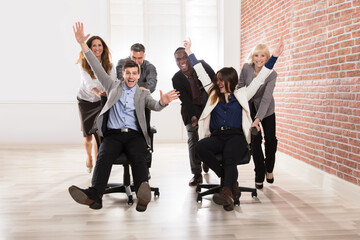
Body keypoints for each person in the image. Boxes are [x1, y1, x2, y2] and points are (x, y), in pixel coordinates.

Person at [69, 22, 179, 212]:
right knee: (103, 157)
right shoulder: (112, 85)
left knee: (138, 157)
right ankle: (95, 196)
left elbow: (154, 106)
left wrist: (164, 101)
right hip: (113, 135)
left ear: (138, 75)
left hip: (134, 135)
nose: (130, 76)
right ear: (122, 74)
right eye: (127, 73)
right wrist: (82, 44)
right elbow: (96, 66)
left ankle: (142, 195)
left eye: (134, 73)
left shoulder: (143, 93)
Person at [184, 37, 283, 211]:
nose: (219, 83)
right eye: (218, 80)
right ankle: (229, 183)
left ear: (231, 81)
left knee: (230, 154)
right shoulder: (213, 92)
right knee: (200, 148)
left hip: (235, 136)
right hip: (217, 136)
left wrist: (274, 56)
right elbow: (200, 72)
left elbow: (260, 79)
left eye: (222, 80)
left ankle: (227, 191)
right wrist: (189, 52)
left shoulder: (243, 94)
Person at [172, 46, 215, 186]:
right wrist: (194, 119)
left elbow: (215, 82)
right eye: (178, 59)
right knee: (193, 138)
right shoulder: (177, 78)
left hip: (208, 106)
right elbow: (186, 101)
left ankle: (208, 160)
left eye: (184, 57)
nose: (182, 61)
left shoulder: (200, 64)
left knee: (210, 136)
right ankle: (196, 173)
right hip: (190, 110)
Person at [239, 44, 278, 190]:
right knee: (255, 141)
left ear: (267, 58)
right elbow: (240, 87)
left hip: (266, 109)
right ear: (252, 56)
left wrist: (258, 119)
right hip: (250, 107)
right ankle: (259, 175)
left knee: (271, 140)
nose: (259, 59)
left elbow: (267, 98)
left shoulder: (272, 74)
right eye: (256, 55)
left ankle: (269, 168)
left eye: (262, 56)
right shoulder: (246, 68)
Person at [76, 35, 115, 174]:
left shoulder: (109, 65)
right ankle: (89, 158)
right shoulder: (84, 63)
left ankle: (99, 164)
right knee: (87, 136)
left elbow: (113, 80)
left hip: (100, 102)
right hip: (85, 101)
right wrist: (98, 92)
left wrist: (108, 94)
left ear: (103, 48)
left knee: (98, 133)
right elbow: (88, 83)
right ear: (90, 48)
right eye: (94, 45)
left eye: (100, 45)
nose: (97, 48)